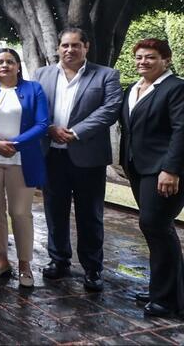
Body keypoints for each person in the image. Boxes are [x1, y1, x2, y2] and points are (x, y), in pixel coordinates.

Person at [33, 28, 122, 292]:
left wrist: (76, 132)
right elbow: (34, 108)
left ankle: (93, 269)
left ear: (86, 47)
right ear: (58, 48)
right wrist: (49, 128)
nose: (69, 50)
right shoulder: (42, 74)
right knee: (54, 212)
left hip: (88, 157)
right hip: (52, 155)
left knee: (90, 215)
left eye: (75, 45)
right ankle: (58, 260)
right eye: (65, 45)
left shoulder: (106, 75)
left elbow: (110, 109)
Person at [119, 38, 184, 317]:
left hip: (163, 171)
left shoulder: (176, 88)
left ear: (166, 60)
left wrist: (171, 170)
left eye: (151, 57)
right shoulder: (134, 88)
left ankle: (168, 300)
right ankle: (162, 288)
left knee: (156, 226)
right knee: (154, 229)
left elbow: (182, 130)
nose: (143, 61)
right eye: (139, 57)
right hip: (138, 167)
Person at [0, 48, 48, 288]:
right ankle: (1, 260)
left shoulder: (34, 89)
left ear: (18, 66)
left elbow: (42, 123)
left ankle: (25, 265)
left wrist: (15, 144)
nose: (5, 65)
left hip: (22, 160)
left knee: (20, 213)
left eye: (10, 61)